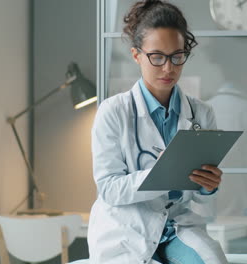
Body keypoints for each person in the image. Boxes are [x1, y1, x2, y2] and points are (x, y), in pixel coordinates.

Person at [87, 1, 228, 263]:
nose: (168, 68)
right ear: (136, 55)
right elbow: (109, 189)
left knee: (213, 260)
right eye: (157, 57)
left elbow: (200, 197)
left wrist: (208, 187)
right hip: (127, 228)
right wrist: (160, 175)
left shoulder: (202, 113)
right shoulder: (113, 112)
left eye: (177, 56)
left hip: (177, 226)